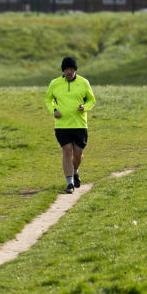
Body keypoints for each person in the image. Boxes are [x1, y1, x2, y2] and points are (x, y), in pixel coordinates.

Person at [45, 56, 96, 194]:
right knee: (67, 150)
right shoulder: (54, 83)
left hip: (79, 124)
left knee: (78, 154)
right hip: (62, 125)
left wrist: (84, 107)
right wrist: (53, 110)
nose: (68, 72)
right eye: (66, 69)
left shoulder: (84, 82)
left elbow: (92, 100)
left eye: (71, 69)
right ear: (63, 70)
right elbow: (48, 100)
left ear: (75, 70)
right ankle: (69, 183)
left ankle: (75, 171)